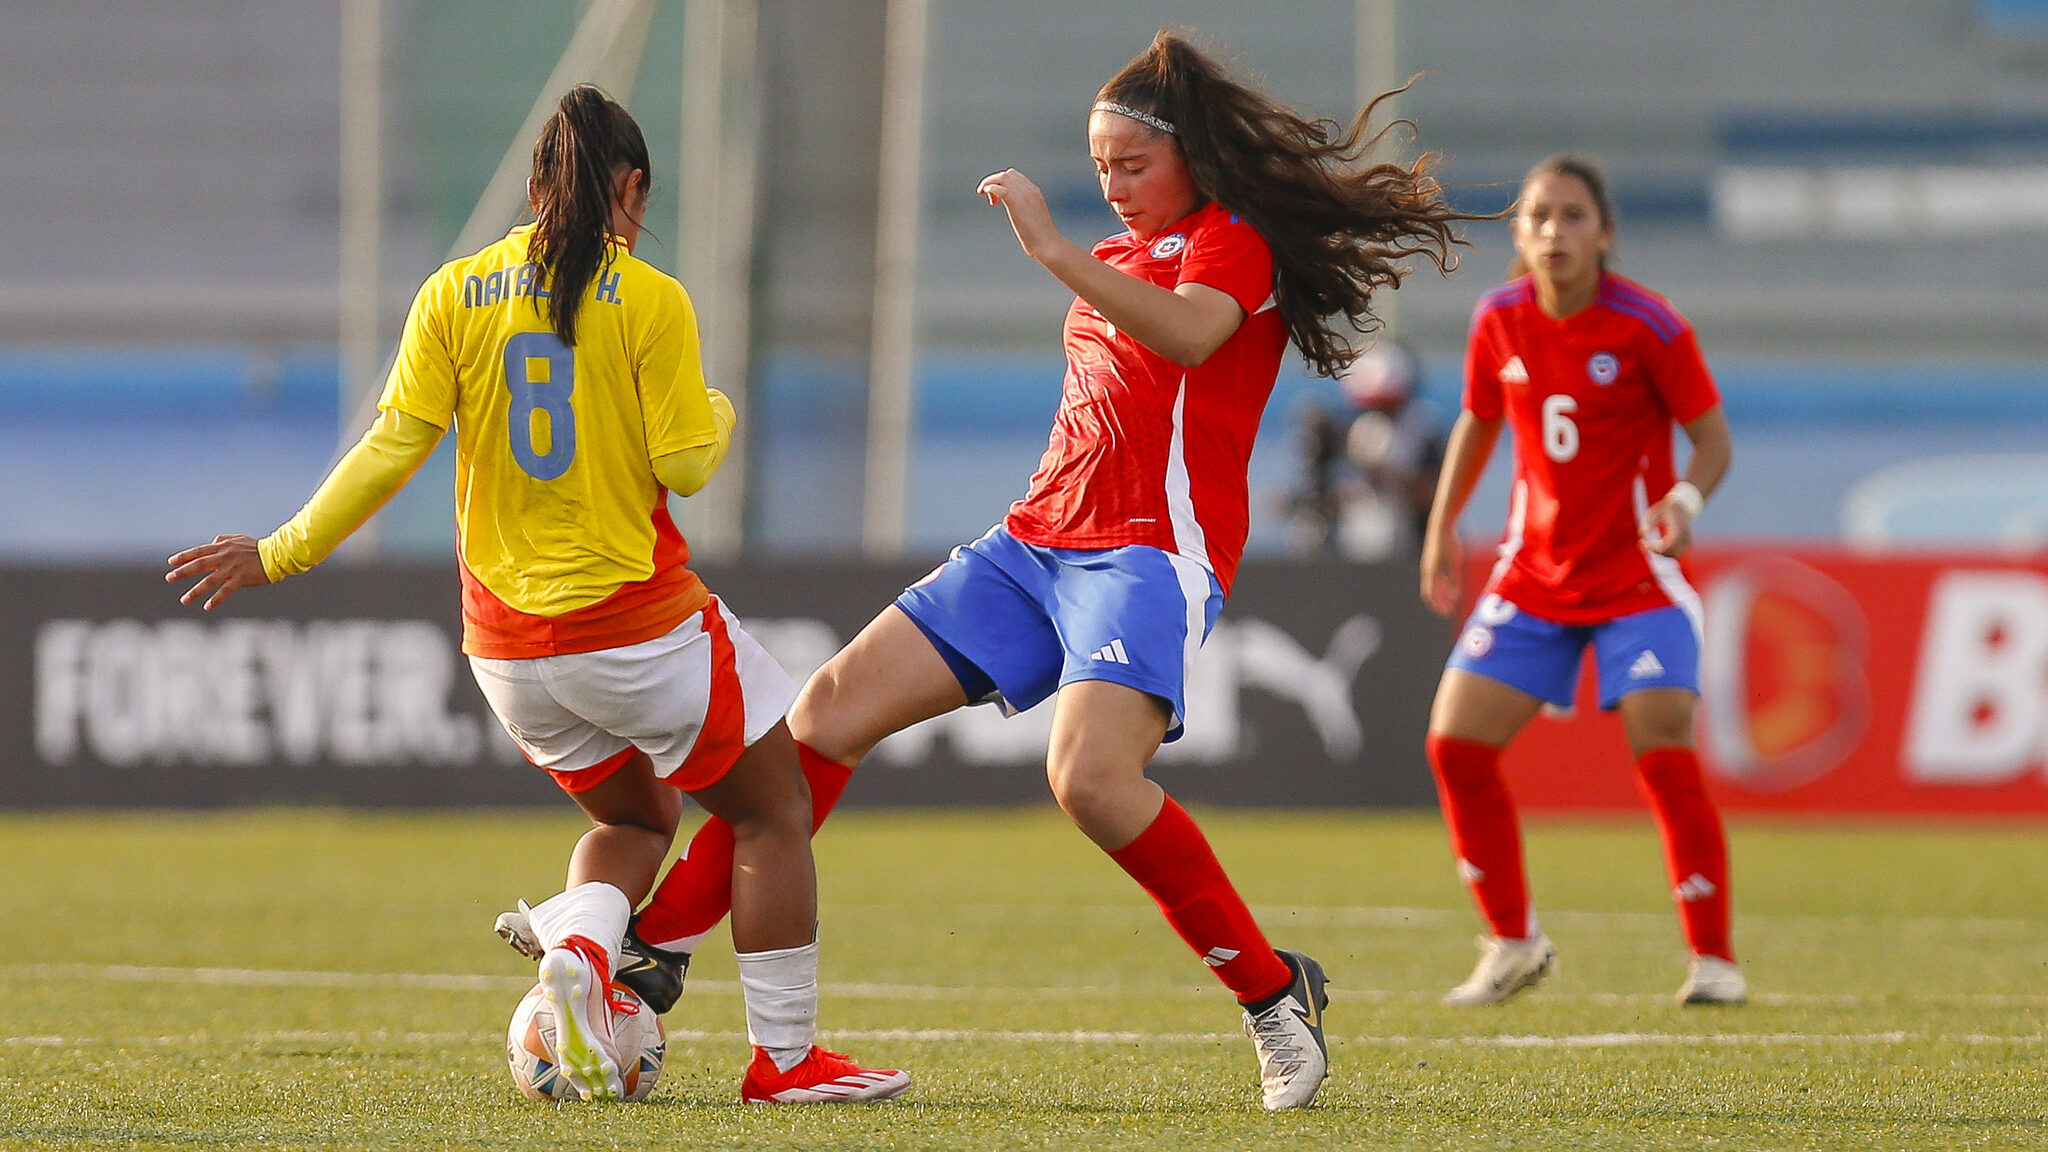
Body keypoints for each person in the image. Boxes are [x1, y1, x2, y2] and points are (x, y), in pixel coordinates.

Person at [503, 31, 1478, 1111]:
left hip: (1147, 557)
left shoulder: (1228, 245)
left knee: (1090, 783)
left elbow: (1198, 341)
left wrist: (1053, 250)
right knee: (821, 715)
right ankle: (660, 950)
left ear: (1192, 158)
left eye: (1131, 166)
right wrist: (1078, 264)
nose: (1112, 188)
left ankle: (1269, 994)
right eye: (1099, 168)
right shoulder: (1111, 256)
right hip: (1032, 544)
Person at [165, 85, 908, 1104]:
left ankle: (585, 958)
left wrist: (280, 551)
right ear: (630, 184)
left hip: (508, 653)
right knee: (774, 808)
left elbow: (391, 447)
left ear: (533, 185)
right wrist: (721, 408)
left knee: (640, 821)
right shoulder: (648, 296)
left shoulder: (452, 291)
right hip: (636, 628)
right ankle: (784, 1061)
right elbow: (687, 463)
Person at [1417, 154, 1741, 1007]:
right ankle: (1513, 943)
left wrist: (1681, 501)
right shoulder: (1500, 319)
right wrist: (1443, 524)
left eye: (1570, 216)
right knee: (1455, 745)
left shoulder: (1650, 326)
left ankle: (1714, 960)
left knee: (1661, 737)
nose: (1553, 232)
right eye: (1537, 217)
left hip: (1636, 573)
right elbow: (1479, 422)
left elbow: (1714, 443)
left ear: (1605, 232)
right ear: (1518, 234)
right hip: (1533, 576)